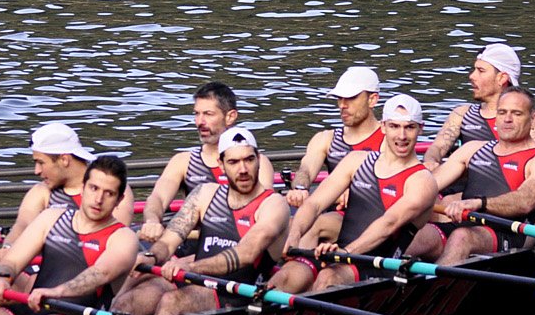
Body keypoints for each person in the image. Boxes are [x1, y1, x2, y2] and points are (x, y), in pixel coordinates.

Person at [0, 155, 140, 315]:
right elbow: (13, 261)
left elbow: (99, 274)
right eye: (94, 188)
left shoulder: (123, 237)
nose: (98, 199)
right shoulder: (52, 218)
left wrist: (55, 292)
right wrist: (3, 277)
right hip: (33, 306)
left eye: (109, 193)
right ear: (83, 187)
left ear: (119, 199)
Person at [113, 127, 290, 315]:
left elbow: (245, 254)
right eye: (233, 162)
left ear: (259, 160)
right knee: (127, 303)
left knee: (173, 302)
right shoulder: (205, 194)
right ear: (221, 165)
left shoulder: (273, 204)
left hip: (237, 293)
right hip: (193, 279)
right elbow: (169, 241)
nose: (243, 169)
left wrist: (191, 268)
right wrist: (151, 256)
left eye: (249, 159)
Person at [268, 94, 437, 292]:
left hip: (379, 265)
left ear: (420, 129)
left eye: (409, 127)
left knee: (328, 276)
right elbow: (314, 205)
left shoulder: (422, 181)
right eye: (394, 126)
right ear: (383, 127)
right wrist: (294, 235)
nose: (401, 136)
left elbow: (388, 223)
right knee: (285, 276)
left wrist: (345, 252)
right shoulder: (356, 161)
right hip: (340, 254)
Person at [407, 88, 535, 265]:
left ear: (533, 120)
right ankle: (375, 281)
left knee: (461, 238)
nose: (507, 119)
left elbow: (525, 202)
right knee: (414, 234)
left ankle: (432, 288)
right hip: (463, 224)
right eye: (502, 112)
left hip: (508, 234)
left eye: (516, 113)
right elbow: (430, 184)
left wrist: (480, 203)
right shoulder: (473, 149)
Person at [139, 82, 274, 244]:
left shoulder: (258, 163)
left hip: (240, 246)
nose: (200, 122)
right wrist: (152, 221)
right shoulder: (183, 161)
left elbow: (265, 212)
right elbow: (158, 199)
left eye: (208, 114)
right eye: (197, 114)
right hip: (191, 247)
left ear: (230, 116)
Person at [0, 122, 133, 258]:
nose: (36, 171)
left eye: (41, 162)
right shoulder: (41, 192)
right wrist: (8, 247)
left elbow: (114, 235)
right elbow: (22, 225)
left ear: (64, 159)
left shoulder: (112, 187)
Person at [422, 44, 535, 169]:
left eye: (481, 71)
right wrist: (431, 162)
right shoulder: (462, 113)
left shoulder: (529, 116)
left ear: (502, 78)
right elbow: (437, 148)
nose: (472, 76)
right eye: (474, 70)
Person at [286, 66, 384, 208]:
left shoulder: (392, 138)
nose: (342, 105)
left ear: (372, 100)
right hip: (336, 216)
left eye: (351, 98)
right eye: (339, 98)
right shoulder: (326, 139)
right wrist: (300, 189)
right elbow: (306, 170)